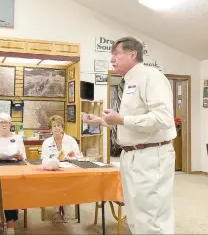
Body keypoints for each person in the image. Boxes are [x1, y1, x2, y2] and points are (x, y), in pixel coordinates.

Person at [84, 36, 176, 234]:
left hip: (152, 155)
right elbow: (128, 122)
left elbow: (163, 119)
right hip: (130, 156)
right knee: (134, 217)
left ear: (132, 54)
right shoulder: (126, 83)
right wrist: (101, 121)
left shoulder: (152, 77)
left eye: (116, 53)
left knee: (152, 217)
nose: (111, 58)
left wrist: (122, 119)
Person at [0, 112, 27, 235]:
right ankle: (4, 223)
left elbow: (24, 158)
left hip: (15, 169)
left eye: (6, 122)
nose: (4, 125)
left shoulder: (18, 138)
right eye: (1, 122)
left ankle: (9, 225)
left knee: (8, 189)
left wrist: (19, 156)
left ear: (10, 124)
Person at [41, 115, 83, 223]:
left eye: (59, 125)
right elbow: (44, 159)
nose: (56, 128)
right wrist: (53, 160)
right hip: (53, 170)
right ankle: (56, 211)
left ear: (63, 127)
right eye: (54, 126)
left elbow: (79, 157)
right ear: (51, 129)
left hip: (69, 170)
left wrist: (72, 156)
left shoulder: (71, 141)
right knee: (56, 184)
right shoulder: (47, 142)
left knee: (66, 184)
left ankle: (66, 210)